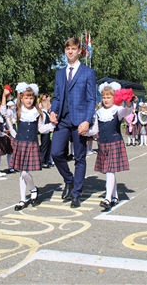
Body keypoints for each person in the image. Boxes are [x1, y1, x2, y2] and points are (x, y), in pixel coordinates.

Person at [50, 37, 96, 208]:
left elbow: (92, 99)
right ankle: (69, 180)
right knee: (55, 153)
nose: (70, 51)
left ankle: (76, 193)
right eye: (67, 48)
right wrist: (53, 111)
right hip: (62, 119)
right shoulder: (60, 73)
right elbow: (56, 97)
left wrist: (87, 121)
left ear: (79, 51)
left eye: (74, 48)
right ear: (65, 51)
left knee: (79, 157)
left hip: (80, 121)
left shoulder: (88, 73)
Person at [3, 83, 54, 210]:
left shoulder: (38, 112)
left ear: (34, 99)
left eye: (31, 98)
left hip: (31, 143)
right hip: (20, 143)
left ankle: (33, 189)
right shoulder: (17, 111)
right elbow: (4, 112)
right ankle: (22, 199)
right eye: (26, 98)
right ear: (21, 98)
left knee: (25, 172)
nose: (29, 100)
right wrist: (4, 96)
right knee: (22, 172)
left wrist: (53, 125)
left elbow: (41, 129)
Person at [88, 82, 133, 210]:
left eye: (109, 97)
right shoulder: (99, 112)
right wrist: (84, 131)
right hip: (103, 144)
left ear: (114, 98)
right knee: (109, 170)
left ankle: (108, 198)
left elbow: (127, 111)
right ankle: (115, 196)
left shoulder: (117, 110)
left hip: (114, 142)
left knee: (110, 170)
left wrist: (128, 102)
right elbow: (95, 129)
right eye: (104, 97)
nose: (106, 100)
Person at [39, 93, 54, 168]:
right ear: (47, 105)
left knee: (48, 146)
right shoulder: (44, 114)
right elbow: (42, 124)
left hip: (48, 132)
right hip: (45, 132)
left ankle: (46, 160)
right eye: (50, 104)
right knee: (44, 147)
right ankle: (42, 161)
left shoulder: (47, 113)